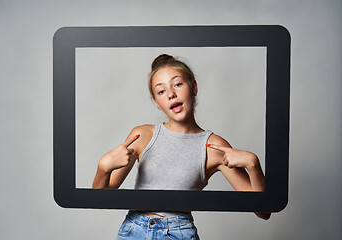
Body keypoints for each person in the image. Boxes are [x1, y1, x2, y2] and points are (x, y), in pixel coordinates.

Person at [92, 54, 271, 239]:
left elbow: (263, 212)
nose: (171, 94)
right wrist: (103, 168)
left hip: (178, 233)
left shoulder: (214, 147)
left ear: (193, 87)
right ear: (157, 103)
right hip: (133, 231)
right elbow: (98, 201)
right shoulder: (142, 136)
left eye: (177, 84)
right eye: (161, 91)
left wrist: (253, 165)